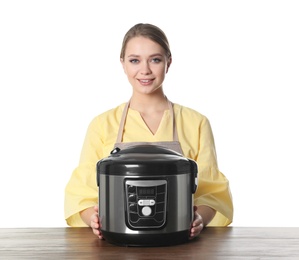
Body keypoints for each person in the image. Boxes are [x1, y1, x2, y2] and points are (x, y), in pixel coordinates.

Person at [64, 23, 233, 240]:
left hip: (180, 241)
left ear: (168, 62)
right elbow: (82, 192)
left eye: (155, 59)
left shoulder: (196, 122)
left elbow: (212, 190)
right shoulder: (101, 124)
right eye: (135, 60)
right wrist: (93, 220)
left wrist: (201, 219)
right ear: (123, 64)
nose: (145, 70)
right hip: (117, 242)